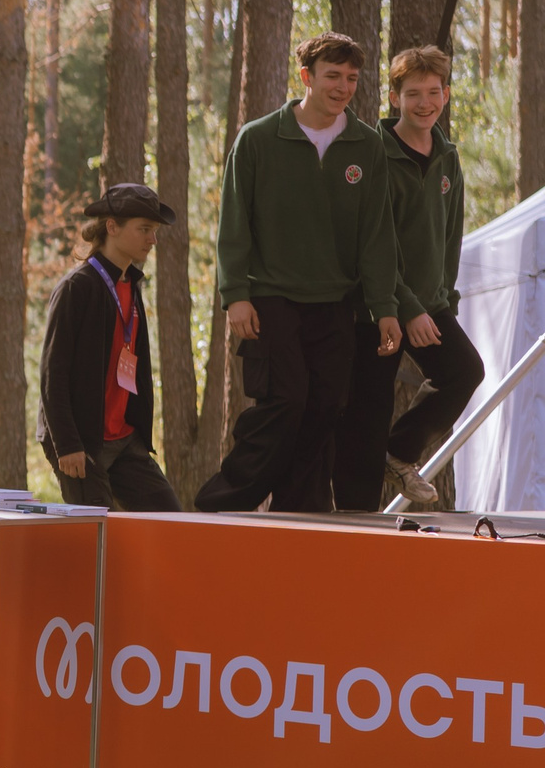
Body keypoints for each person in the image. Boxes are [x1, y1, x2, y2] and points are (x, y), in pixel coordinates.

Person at [195, 32, 402, 514]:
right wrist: (235, 294)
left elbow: (377, 234)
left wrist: (385, 307)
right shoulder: (258, 138)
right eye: (333, 76)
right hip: (272, 298)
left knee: (326, 407)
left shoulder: (366, 145)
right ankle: (222, 503)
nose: (343, 87)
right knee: (285, 402)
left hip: (336, 302)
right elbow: (235, 223)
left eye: (352, 78)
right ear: (306, 76)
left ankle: (297, 511)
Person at [332, 46, 486, 511]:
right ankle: (355, 520)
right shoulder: (374, 153)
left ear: (446, 95)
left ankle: (399, 453)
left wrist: (444, 300)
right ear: (395, 97)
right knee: (367, 416)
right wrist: (407, 307)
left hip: (429, 304)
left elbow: (450, 236)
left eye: (433, 93)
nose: (424, 103)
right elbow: (373, 242)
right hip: (375, 303)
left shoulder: (447, 157)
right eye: (413, 93)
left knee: (464, 371)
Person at [37, 182, 182, 511]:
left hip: (125, 439)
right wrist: (67, 445)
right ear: (112, 227)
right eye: (144, 229)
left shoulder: (132, 284)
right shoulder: (77, 288)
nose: (153, 239)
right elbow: (52, 374)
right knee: (98, 533)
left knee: (170, 520)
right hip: (82, 442)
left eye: (155, 231)